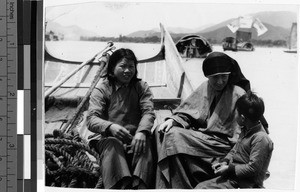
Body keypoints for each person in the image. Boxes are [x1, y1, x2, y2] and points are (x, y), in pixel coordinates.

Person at [155, 52, 251, 188]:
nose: (219, 82)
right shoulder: (205, 87)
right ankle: (173, 186)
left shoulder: (238, 94)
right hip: (205, 140)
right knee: (161, 131)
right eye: (214, 78)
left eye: (224, 76)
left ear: (230, 74)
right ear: (207, 77)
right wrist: (173, 120)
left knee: (172, 136)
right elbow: (188, 111)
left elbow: (243, 134)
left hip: (223, 145)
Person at [86, 48, 156, 189]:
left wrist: (142, 132)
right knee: (112, 144)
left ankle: (140, 185)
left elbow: (148, 112)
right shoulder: (102, 89)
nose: (127, 70)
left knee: (147, 142)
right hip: (109, 140)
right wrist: (110, 126)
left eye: (131, 66)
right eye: (122, 66)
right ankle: (120, 186)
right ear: (112, 68)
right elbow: (91, 119)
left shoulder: (141, 87)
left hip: (135, 139)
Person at [195, 91, 273, 189]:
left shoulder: (261, 138)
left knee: (201, 188)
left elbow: (253, 169)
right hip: (233, 178)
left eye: (236, 111)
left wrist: (228, 169)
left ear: (242, 118)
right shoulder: (246, 130)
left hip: (245, 185)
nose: (234, 114)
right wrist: (225, 161)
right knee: (200, 186)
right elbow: (235, 150)